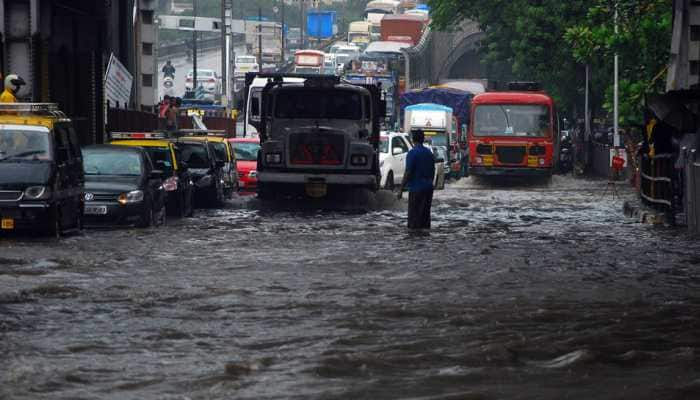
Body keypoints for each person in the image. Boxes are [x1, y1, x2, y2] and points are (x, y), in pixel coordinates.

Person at [398, 129, 436, 229]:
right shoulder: (429, 153)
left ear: (413, 140)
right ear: (423, 139)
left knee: (414, 219)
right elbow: (433, 171)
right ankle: (424, 240)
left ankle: (414, 241)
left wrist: (401, 189)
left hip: (416, 189)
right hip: (428, 188)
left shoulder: (412, 153)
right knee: (425, 217)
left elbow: (408, 172)